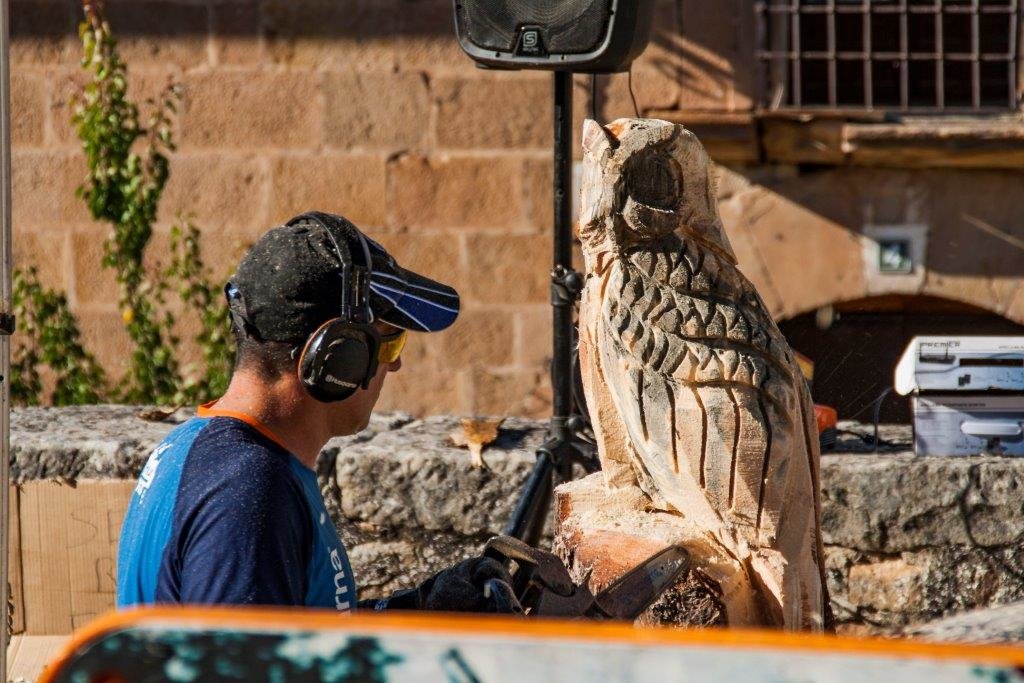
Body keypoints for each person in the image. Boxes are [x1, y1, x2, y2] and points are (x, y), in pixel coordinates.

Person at [116, 211, 511, 613]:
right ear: (339, 358)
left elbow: (298, 636)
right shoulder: (248, 493)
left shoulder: (204, 449)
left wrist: (419, 613)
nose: (394, 366)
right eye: (391, 344)